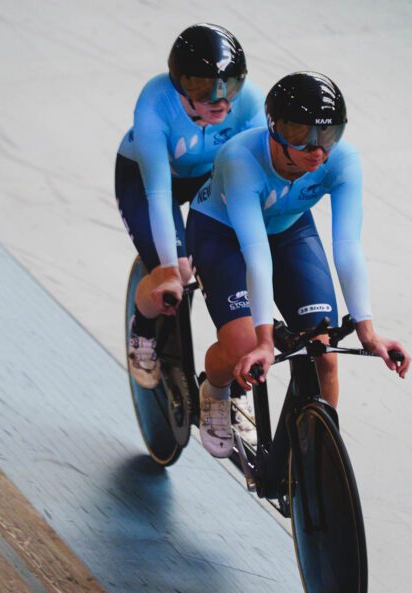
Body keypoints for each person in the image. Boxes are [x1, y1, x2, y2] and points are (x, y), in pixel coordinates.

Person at [186, 71, 411, 458]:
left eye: (327, 136)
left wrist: (369, 333)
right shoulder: (241, 159)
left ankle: (313, 462)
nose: (316, 150)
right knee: (243, 346)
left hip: (289, 230)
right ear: (274, 128)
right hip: (222, 234)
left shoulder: (343, 160)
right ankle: (215, 390)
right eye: (300, 134)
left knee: (322, 350)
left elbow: (348, 247)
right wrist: (264, 342)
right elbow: (256, 254)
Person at [116, 23, 264, 390]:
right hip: (147, 178)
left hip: (208, 178)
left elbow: (258, 176)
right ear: (179, 84)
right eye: (203, 88)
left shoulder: (249, 102)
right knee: (178, 271)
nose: (220, 100)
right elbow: (158, 195)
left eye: (229, 86)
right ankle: (144, 326)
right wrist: (168, 269)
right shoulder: (154, 102)